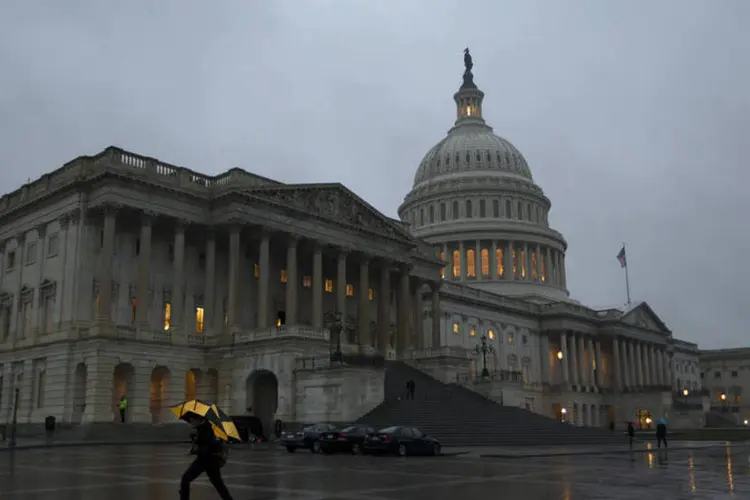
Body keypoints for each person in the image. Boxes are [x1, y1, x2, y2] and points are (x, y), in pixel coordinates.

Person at [180, 415, 233, 500]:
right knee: (219, 485)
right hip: (211, 460)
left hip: (206, 460)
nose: (191, 421)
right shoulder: (204, 427)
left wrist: (194, 451)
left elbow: (205, 449)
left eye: (193, 419)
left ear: (199, 419)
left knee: (185, 479)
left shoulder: (206, 429)